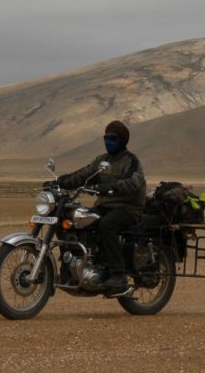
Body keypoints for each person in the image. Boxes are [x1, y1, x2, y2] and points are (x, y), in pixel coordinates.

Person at [55, 120, 146, 290]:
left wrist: (111, 187)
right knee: (74, 221)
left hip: (128, 208)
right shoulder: (101, 161)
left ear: (122, 141)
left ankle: (118, 274)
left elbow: (133, 182)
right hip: (105, 206)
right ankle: (69, 268)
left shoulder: (131, 161)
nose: (108, 142)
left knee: (107, 225)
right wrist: (60, 182)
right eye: (106, 138)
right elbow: (83, 174)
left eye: (113, 139)